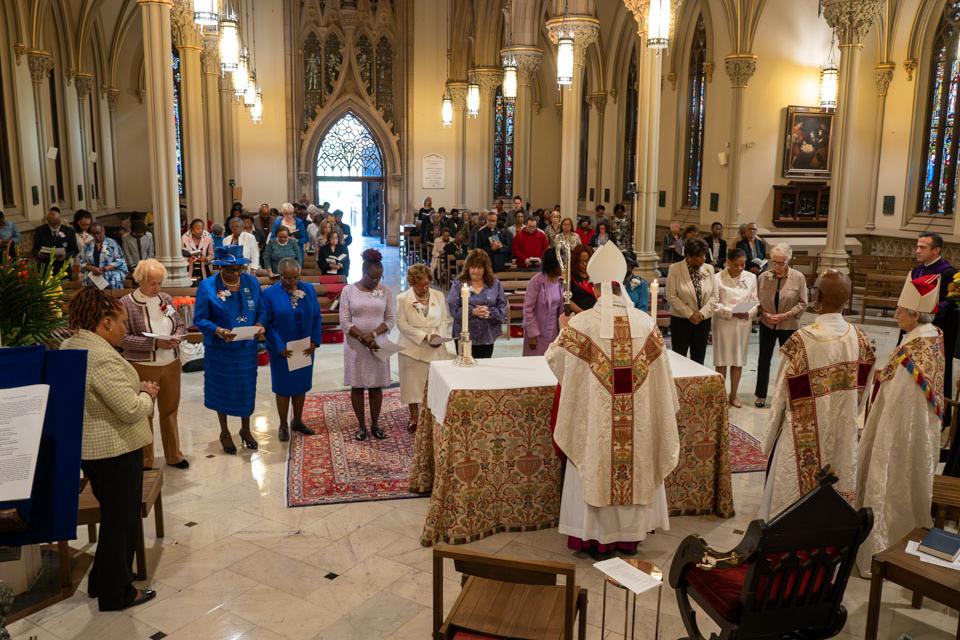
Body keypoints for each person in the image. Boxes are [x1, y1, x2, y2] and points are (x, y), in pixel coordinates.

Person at [547, 242, 679, 555]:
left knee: (595, 462)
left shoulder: (582, 325)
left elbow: (555, 360)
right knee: (636, 463)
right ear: (620, 288)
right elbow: (664, 383)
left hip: (598, 430)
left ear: (594, 290)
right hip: (638, 433)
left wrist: (562, 330)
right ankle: (629, 536)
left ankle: (592, 537)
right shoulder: (646, 325)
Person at [62, 287, 159, 611]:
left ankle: (101, 580)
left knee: (114, 517)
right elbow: (130, 409)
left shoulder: (71, 344)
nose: (124, 329)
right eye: (120, 323)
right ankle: (118, 593)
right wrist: (147, 393)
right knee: (122, 521)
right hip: (115, 449)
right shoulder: (102, 357)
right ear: (104, 323)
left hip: (93, 450)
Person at [759, 271, 876, 520]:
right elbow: (864, 394)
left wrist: (769, 439)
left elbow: (781, 393)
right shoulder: (862, 340)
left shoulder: (802, 341)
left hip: (802, 436)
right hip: (842, 430)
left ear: (817, 296)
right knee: (837, 481)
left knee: (792, 500)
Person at [856, 276, 945, 577]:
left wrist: (882, 432)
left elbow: (902, 399)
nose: (896, 316)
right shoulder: (930, 335)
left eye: (900, 311)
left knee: (894, 479)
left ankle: (887, 537)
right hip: (913, 429)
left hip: (901, 431)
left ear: (916, 314)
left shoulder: (918, 347)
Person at [194, 245, 264, 454]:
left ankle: (245, 428)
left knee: (245, 388)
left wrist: (261, 324)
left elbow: (262, 310)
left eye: (239, 269)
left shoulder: (252, 282)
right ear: (220, 268)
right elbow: (200, 319)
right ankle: (224, 432)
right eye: (231, 269)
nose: (235, 273)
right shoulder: (207, 287)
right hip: (220, 350)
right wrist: (218, 330)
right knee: (222, 390)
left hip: (245, 349)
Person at [119, 259, 188, 470]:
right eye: (152, 283)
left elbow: (180, 324)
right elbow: (122, 338)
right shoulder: (126, 303)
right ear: (140, 280)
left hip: (171, 363)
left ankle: (174, 455)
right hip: (143, 365)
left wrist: (177, 336)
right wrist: (154, 343)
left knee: (170, 410)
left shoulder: (165, 298)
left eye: (159, 283)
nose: (156, 287)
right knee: (144, 412)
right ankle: (146, 459)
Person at [260, 258, 322, 442]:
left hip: (304, 348)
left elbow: (317, 316)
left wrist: (314, 341)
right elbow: (267, 323)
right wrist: (279, 346)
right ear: (280, 276)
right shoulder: (270, 294)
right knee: (283, 388)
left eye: (296, 277)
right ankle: (282, 424)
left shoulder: (308, 289)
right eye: (288, 278)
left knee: (300, 386)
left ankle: (298, 420)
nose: (293, 282)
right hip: (282, 350)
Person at [341, 249, 396, 440]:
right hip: (355, 345)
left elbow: (390, 320)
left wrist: (373, 335)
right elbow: (345, 321)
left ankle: (375, 424)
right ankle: (361, 426)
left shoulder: (385, 290)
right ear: (363, 272)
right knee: (357, 385)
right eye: (372, 278)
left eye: (379, 278)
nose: (376, 282)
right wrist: (363, 337)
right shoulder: (348, 290)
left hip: (378, 344)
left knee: (376, 386)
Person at [396, 264, 453, 432]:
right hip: (411, 347)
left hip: (436, 346)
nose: (424, 288)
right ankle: (413, 417)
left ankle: (435, 415)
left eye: (427, 283)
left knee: (435, 384)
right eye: (420, 285)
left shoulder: (439, 296)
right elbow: (401, 324)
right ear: (413, 283)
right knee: (413, 386)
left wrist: (437, 335)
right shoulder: (402, 299)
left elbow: (446, 319)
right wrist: (425, 337)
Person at [911, 233, 958, 432]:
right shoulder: (916, 270)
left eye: (922, 247)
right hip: (914, 328)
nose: (917, 250)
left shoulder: (947, 272)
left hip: (938, 330)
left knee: (938, 371)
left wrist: (928, 313)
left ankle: (942, 414)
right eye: (917, 246)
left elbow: (951, 302)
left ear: (936, 250)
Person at [754, 243, 808, 407]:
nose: (777, 266)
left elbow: (803, 303)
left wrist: (785, 315)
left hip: (789, 325)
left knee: (790, 362)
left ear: (788, 261)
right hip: (767, 324)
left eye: (781, 263)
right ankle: (761, 395)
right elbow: (755, 301)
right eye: (774, 262)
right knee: (764, 359)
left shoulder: (798, 277)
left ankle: (788, 396)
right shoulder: (763, 277)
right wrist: (764, 314)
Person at [713, 248, 759, 406]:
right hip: (724, 323)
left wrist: (749, 313)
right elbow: (714, 303)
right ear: (728, 262)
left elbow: (755, 300)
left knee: (738, 360)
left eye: (743, 264)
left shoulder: (751, 277)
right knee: (722, 360)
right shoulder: (717, 278)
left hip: (742, 324)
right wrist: (731, 312)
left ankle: (734, 395)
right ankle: (720, 396)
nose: (740, 268)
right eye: (736, 265)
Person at [447, 249, 507, 359]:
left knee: (484, 369)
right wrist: (472, 311)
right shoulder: (458, 283)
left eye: (479, 267)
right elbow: (453, 310)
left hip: (487, 336)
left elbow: (503, 308)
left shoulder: (495, 283)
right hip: (464, 336)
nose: (475, 271)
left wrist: (489, 313)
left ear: (485, 269)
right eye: (472, 267)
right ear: (467, 267)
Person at [666, 237, 718, 364]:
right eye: (699, 256)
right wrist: (690, 314)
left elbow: (714, 295)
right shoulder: (675, 269)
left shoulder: (708, 269)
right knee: (679, 357)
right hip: (681, 320)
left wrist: (701, 314)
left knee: (699, 358)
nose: (704, 259)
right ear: (688, 256)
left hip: (703, 320)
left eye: (704, 255)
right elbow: (671, 296)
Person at [522, 248, 563, 356]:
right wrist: (532, 335)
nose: (564, 267)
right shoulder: (536, 282)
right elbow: (528, 309)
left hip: (554, 330)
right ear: (553, 264)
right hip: (538, 331)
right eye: (561, 264)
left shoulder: (560, 282)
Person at [80, 222, 128, 289]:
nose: (96, 235)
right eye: (93, 233)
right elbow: (81, 261)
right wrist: (92, 268)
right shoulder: (87, 245)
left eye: (98, 232)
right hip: (93, 277)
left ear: (103, 231)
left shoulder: (112, 243)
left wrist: (104, 269)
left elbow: (120, 260)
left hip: (110, 276)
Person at [32, 207, 78, 273]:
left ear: (60, 219)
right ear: (48, 221)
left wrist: (66, 256)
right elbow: (34, 249)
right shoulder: (40, 231)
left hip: (63, 268)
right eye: (53, 224)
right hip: (46, 268)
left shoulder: (69, 231)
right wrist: (39, 254)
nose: (56, 226)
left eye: (57, 223)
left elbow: (75, 250)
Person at [181, 218, 214, 283]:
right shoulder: (184, 238)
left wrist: (206, 259)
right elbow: (180, 254)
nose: (200, 231)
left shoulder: (207, 237)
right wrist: (187, 259)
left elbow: (212, 254)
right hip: (189, 269)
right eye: (198, 229)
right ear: (192, 230)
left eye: (202, 228)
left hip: (204, 269)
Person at [570, 245, 597, 313]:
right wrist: (582, 313)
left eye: (587, 260)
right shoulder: (570, 276)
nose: (585, 264)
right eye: (580, 261)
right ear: (575, 261)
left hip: (596, 314)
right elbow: (567, 300)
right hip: (578, 316)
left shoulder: (596, 274)